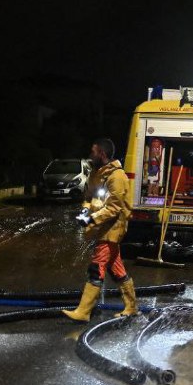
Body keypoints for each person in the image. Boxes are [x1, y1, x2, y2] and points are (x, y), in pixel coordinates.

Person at [63, 137, 137, 322]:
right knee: (116, 268)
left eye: (93, 152)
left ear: (102, 154)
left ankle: (83, 312)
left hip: (112, 229)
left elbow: (114, 208)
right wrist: (85, 210)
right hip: (102, 227)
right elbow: (89, 196)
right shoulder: (97, 173)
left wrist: (91, 218)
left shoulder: (117, 177)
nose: (90, 155)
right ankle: (131, 306)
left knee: (96, 268)